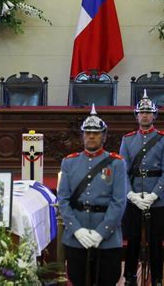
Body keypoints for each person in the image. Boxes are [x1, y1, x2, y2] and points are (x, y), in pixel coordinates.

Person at [58, 105, 127, 286]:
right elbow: (63, 200)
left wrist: (101, 233)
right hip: (76, 236)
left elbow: (119, 202)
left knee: (108, 280)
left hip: (107, 238)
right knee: (77, 279)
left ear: (104, 136)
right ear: (82, 135)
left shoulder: (117, 164)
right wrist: (77, 230)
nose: (91, 136)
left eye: (96, 133)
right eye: (87, 132)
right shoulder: (69, 162)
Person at [120, 90, 164, 286]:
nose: (144, 115)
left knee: (156, 242)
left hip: (157, 198)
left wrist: (153, 196)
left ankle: (158, 278)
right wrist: (131, 194)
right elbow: (122, 172)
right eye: (141, 112)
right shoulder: (127, 140)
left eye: (148, 112)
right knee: (133, 240)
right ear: (136, 116)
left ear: (154, 115)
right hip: (134, 196)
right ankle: (129, 277)